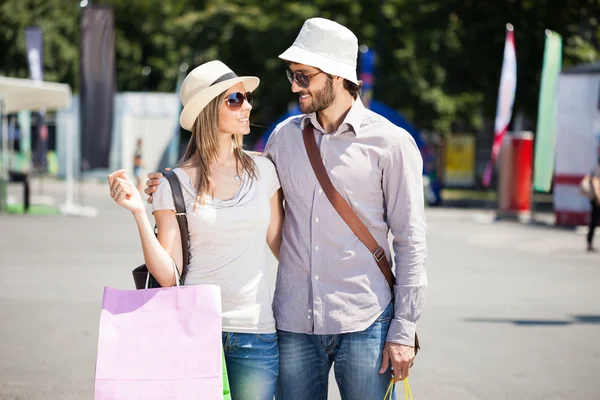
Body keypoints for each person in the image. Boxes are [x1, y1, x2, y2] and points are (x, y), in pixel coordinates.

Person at [147, 18, 427, 399]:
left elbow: (411, 242)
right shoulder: (284, 138)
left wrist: (404, 329)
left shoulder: (392, 144)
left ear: (337, 75)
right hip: (293, 324)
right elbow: (235, 181)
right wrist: (172, 184)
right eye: (291, 75)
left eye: (303, 76)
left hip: (366, 320)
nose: (294, 86)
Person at [108, 60, 283, 400]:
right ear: (207, 109)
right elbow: (168, 275)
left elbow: (283, 245)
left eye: (246, 97)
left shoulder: (264, 170)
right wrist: (137, 214)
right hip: (194, 328)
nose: (247, 105)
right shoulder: (173, 184)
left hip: (256, 332)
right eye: (235, 99)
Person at [585, 157, 600, 251]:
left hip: (595, 199)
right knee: (594, 221)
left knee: (593, 221)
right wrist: (598, 197)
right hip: (597, 199)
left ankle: (589, 242)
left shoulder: (595, 168)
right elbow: (595, 182)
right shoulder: (598, 169)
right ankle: (589, 242)